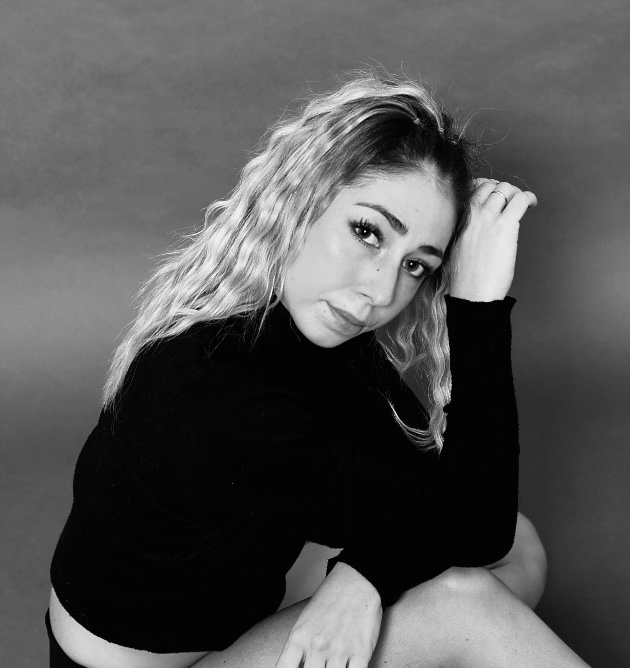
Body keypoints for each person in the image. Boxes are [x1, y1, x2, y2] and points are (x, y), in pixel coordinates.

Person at [47, 70, 590, 668]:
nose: (380, 291)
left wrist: (360, 581)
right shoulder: (221, 402)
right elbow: (469, 520)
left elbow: (453, 501)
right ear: (298, 203)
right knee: (469, 603)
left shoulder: (302, 325)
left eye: (416, 265)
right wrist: (478, 310)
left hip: (236, 605)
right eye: (367, 232)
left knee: (518, 547)